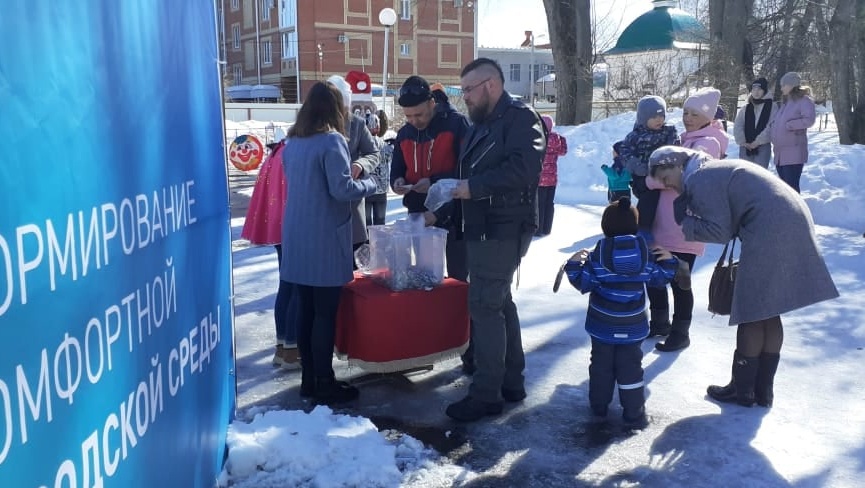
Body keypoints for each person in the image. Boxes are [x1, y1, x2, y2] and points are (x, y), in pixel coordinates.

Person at [648, 146, 838, 407]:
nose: (667, 185)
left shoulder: (700, 179)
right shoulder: (709, 170)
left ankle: (743, 389)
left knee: (751, 310)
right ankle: (762, 390)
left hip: (770, 227)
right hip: (791, 217)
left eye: (666, 178)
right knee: (769, 310)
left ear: (678, 166)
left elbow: (718, 231)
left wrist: (683, 219)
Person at [444, 58, 545, 421]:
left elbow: (525, 168)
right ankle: (511, 382)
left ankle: (487, 394)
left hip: (503, 228)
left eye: (468, 90)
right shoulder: (483, 122)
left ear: (491, 85)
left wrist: (474, 187)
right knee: (499, 302)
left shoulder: (520, 118)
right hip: (484, 226)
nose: (465, 98)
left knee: (485, 306)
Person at [280, 82, 378, 404]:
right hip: (324, 239)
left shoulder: (293, 142)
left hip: (297, 236)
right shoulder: (332, 140)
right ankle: (324, 381)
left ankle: (310, 379)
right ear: (337, 108)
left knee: (306, 310)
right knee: (324, 314)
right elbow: (342, 190)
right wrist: (370, 184)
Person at [563, 197, 680, 428]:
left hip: (602, 325)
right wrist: (670, 262)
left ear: (605, 227)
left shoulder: (598, 256)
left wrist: (573, 265)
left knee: (601, 367)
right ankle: (633, 411)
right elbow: (659, 279)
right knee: (631, 368)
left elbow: (583, 282)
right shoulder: (645, 255)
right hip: (633, 326)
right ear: (634, 226)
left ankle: (599, 406)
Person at [390, 75, 473, 371]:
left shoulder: (457, 125)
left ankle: (470, 351)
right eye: (409, 116)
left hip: (455, 218)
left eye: (420, 114)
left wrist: (434, 181)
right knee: (425, 282)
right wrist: (398, 183)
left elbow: (466, 172)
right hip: (419, 219)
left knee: (460, 284)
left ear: (431, 103)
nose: (415, 121)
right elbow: (396, 171)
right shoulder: (404, 133)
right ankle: (429, 347)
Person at [648, 87, 727, 351]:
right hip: (663, 222)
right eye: (685, 113)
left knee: (680, 281)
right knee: (655, 275)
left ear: (708, 117)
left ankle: (680, 332)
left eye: (694, 114)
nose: (688, 118)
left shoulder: (709, 143)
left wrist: (650, 179)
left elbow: (682, 175)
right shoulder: (682, 140)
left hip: (685, 225)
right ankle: (659, 322)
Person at [241, 138, 300, 369]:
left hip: (278, 226)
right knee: (296, 288)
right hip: (292, 228)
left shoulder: (277, 152)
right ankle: (292, 350)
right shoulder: (292, 153)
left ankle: (283, 347)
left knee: (286, 286)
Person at [326, 75, 380, 255]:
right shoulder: (316, 125)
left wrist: (361, 164)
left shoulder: (357, 124)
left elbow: (374, 153)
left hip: (352, 204)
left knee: (354, 257)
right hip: (324, 205)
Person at [619, 95, 680, 241]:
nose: (659, 120)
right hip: (641, 175)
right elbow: (625, 153)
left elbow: (674, 148)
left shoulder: (668, 132)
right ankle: (642, 229)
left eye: (661, 116)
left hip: (660, 170)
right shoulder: (635, 136)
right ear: (643, 118)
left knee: (657, 200)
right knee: (648, 199)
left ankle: (649, 228)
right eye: (654, 117)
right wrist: (636, 166)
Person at [770, 71, 816, 193]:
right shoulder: (786, 102)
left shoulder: (804, 100)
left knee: (791, 189)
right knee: (784, 189)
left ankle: (795, 206)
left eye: (783, 85)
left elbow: (809, 120)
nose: (781, 88)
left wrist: (790, 125)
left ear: (792, 85)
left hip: (794, 153)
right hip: (780, 154)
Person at [536, 114, 568, 236]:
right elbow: (563, 151)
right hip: (552, 179)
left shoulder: (538, 138)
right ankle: (547, 228)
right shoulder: (556, 139)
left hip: (540, 179)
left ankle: (538, 229)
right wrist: (562, 140)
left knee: (539, 204)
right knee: (549, 203)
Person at [734, 78, 776, 168]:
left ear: (764, 90)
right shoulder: (746, 107)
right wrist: (742, 141)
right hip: (746, 146)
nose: (756, 92)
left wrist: (757, 142)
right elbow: (738, 125)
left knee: (759, 174)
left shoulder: (772, 106)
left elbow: (771, 125)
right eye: (754, 89)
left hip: (763, 146)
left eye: (759, 89)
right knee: (745, 173)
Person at [365, 111, 392, 226]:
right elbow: (391, 157)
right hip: (381, 189)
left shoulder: (362, 144)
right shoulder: (385, 145)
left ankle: (367, 238)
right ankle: (379, 238)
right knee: (380, 222)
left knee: (366, 223)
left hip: (366, 188)